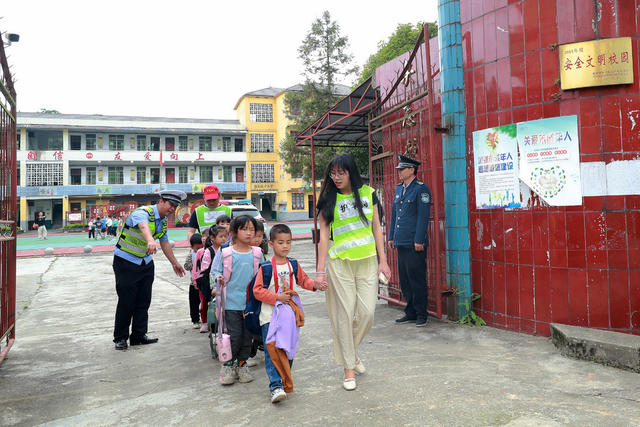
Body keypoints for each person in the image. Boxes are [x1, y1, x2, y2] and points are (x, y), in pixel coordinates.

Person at [314, 153, 391, 391]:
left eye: (341, 173)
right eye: (333, 173)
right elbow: (324, 236)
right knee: (345, 314)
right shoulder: (328, 197)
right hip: (339, 263)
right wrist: (320, 271)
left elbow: (377, 228)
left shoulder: (369, 194)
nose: (336, 178)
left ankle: (351, 353)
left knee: (367, 313)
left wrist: (383, 261)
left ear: (351, 173)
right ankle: (349, 367)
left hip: (367, 261)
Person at [253, 224, 323, 403]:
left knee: (288, 349)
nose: (285, 246)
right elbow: (257, 291)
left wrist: (315, 284)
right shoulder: (266, 268)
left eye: (288, 242)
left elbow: (303, 280)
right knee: (272, 351)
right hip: (269, 317)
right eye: (280, 242)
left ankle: (284, 382)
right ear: (271, 243)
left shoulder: (293, 264)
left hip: (289, 317)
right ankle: (275, 386)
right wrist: (276, 297)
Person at [112, 190, 187, 350]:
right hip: (126, 261)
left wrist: (174, 262)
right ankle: (120, 337)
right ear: (161, 201)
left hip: (145, 263)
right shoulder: (142, 212)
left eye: (175, 206)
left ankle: (139, 335)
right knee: (127, 302)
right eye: (170, 205)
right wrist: (150, 240)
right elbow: (143, 226)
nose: (172, 209)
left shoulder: (163, 221)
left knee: (143, 301)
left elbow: (165, 242)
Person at [213, 215, 263, 385]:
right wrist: (218, 278)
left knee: (247, 337)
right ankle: (227, 365)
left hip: (250, 305)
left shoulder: (257, 253)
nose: (249, 233)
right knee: (234, 336)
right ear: (233, 232)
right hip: (230, 304)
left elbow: (264, 274)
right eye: (244, 229)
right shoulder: (226, 252)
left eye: (252, 229)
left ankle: (242, 365)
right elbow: (215, 272)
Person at [388, 154, 432, 327]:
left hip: (415, 242)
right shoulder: (399, 189)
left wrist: (419, 239)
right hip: (401, 241)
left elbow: (423, 216)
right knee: (405, 279)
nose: (399, 172)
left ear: (412, 170)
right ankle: (411, 311)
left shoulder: (421, 189)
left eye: (402, 169)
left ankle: (422, 313)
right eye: (399, 169)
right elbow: (394, 215)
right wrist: (391, 236)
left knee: (417, 278)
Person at [193, 226, 226, 333]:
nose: (224, 239)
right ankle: (205, 322)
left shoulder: (227, 249)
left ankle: (222, 324)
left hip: (223, 281)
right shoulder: (209, 251)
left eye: (226, 236)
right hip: (209, 281)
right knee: (205, 303)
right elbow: (204, 269)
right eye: (221, 236)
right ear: (212, 238)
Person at [184, 233, 203, 329]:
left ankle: (205, 319)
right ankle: (195, 320)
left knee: (204, 302)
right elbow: (186, 266)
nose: (199, 250)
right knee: (194, 303)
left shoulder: (206, 252)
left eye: (201, 247)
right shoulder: (191, 255)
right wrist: (194, 265)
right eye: (197, 248)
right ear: (191, 247)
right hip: (193, 283)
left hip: (203, 282)